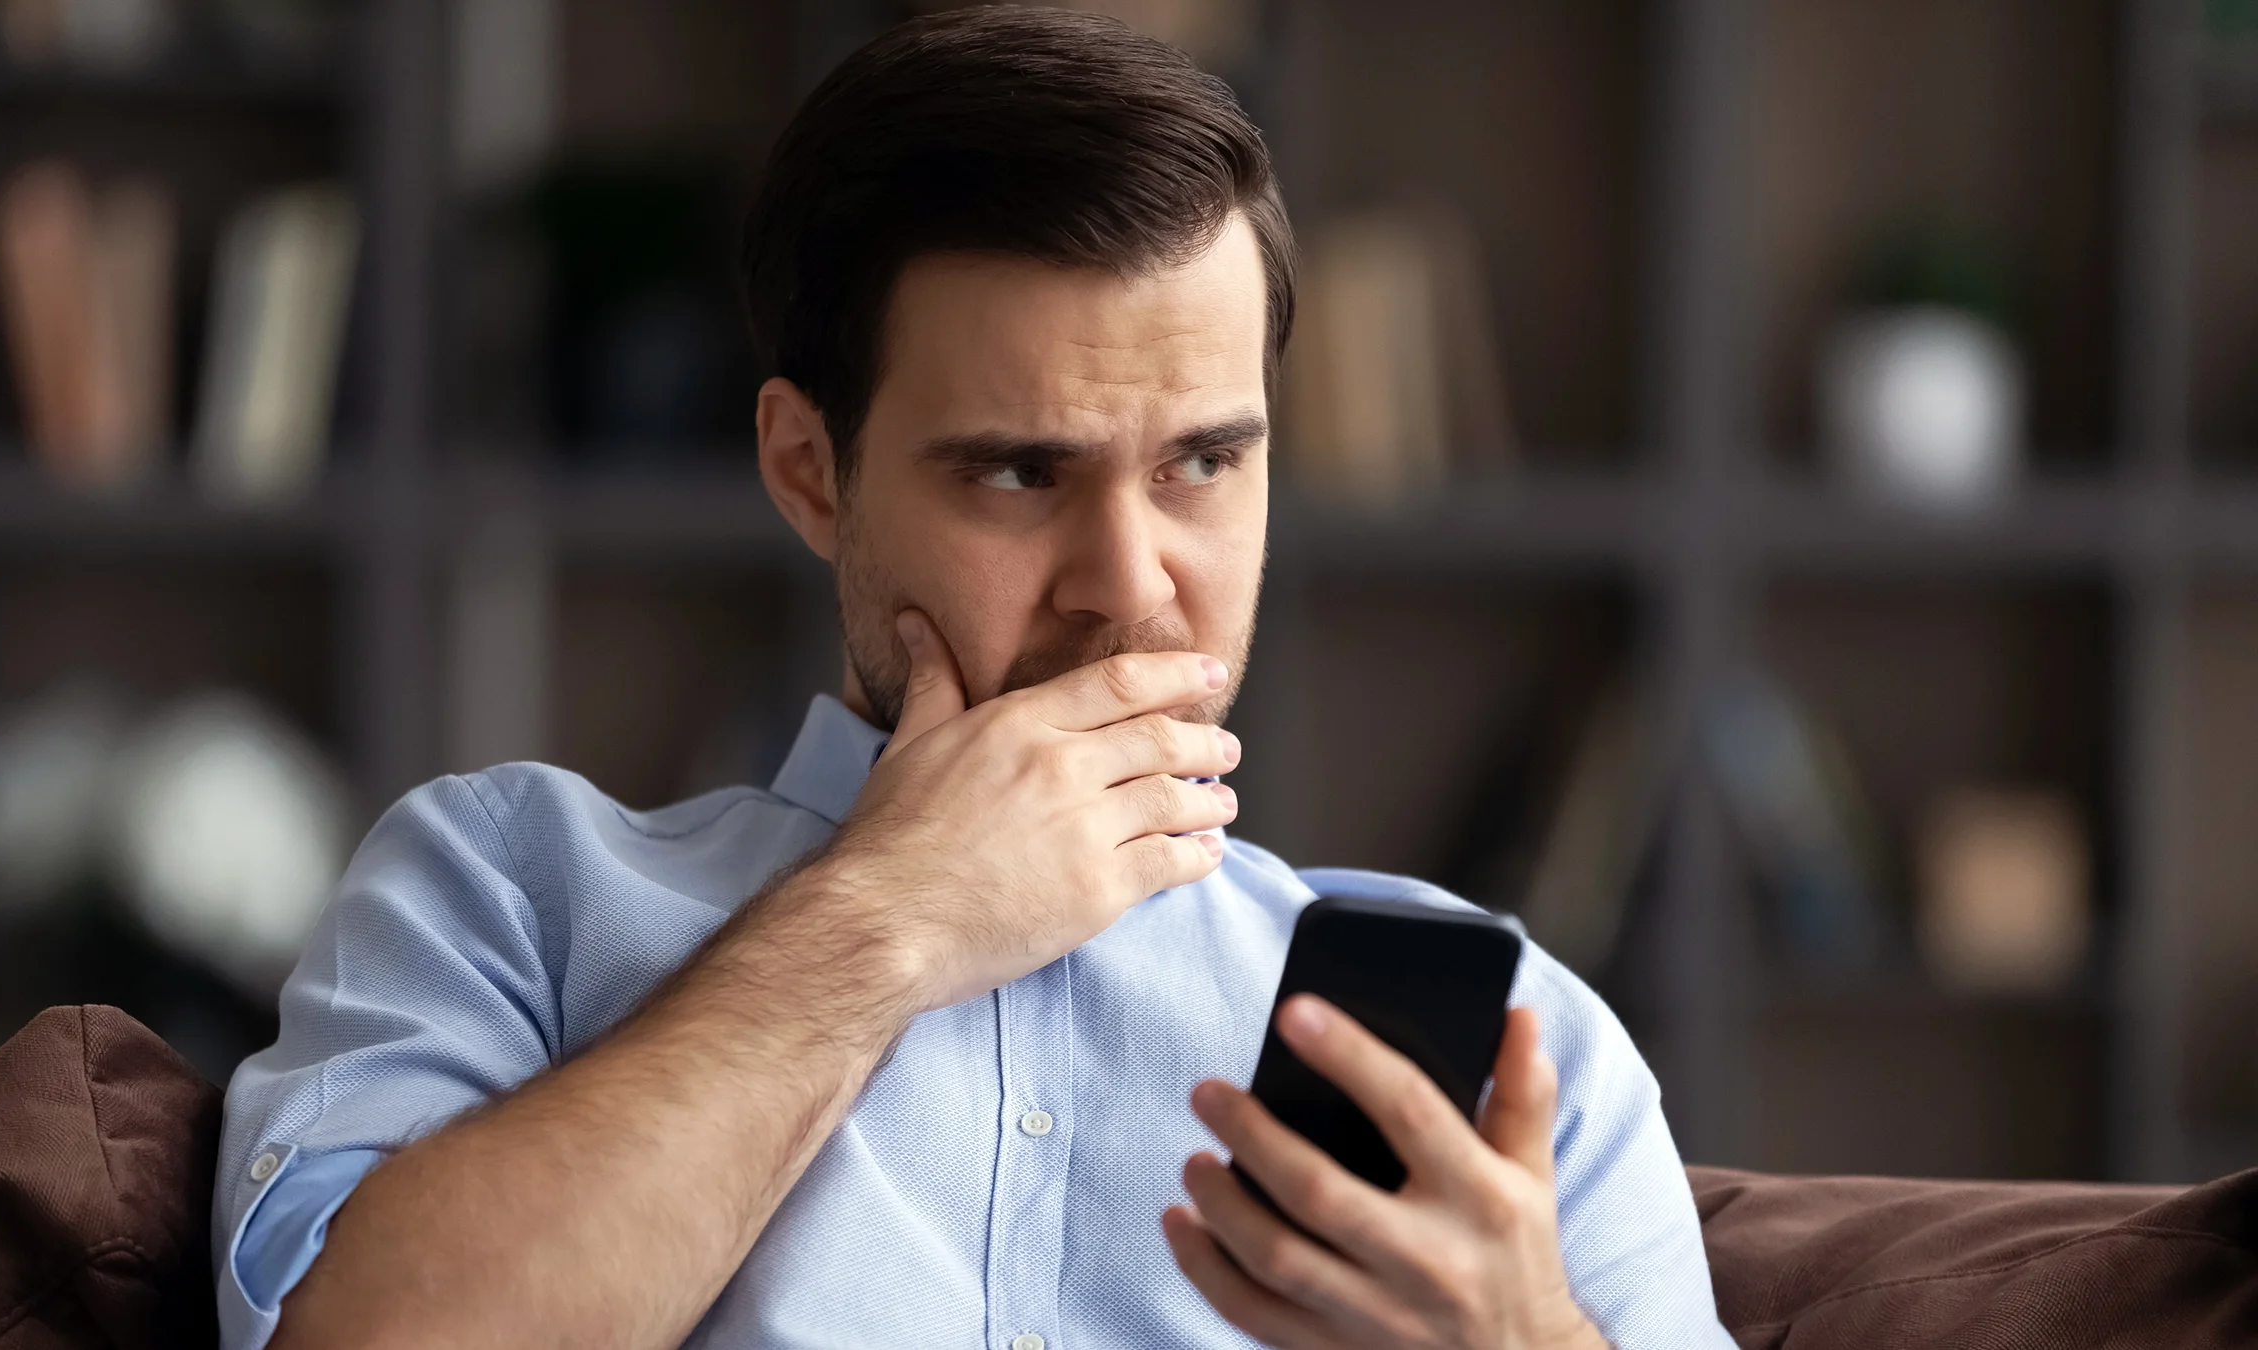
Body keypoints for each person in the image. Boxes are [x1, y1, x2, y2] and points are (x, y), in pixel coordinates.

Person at [214, 9, 1732, 1348]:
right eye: (1020, 471)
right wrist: (893, 916)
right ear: (810, 472)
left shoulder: (1512, 1042)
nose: (1134, 582)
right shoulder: (503, 892)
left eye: (1205, 461)